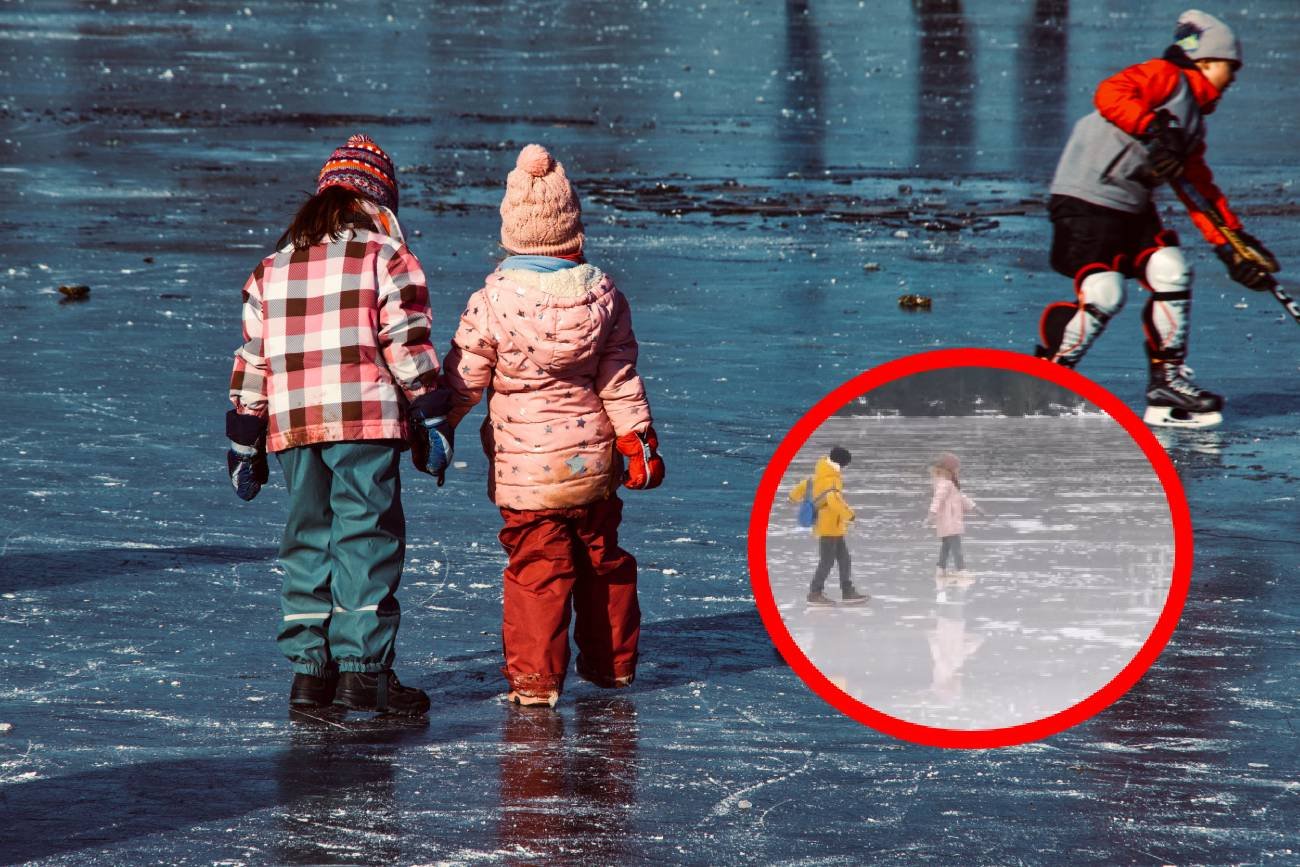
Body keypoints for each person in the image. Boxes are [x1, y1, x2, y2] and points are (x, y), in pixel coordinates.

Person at [226, 133, 452, 717]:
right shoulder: (386, 256)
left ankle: (310, 674)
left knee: (306, 537)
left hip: (295, 427)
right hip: (365, 421)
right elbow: (406, 345)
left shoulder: (272, 268)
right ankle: (363, 674)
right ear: (377, 202)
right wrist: (433, 413)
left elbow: (254, 356)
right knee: (366, 538)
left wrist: (244, 437)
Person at [440, 143, 665, 708]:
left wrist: (436, 426)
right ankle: (612, 666)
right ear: (572, 232)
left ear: (512, 235)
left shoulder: (491, 301)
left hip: (526, 472)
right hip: (590, 465)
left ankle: (537, 683)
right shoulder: (603, 296)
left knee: (539, 569)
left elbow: (466, 379)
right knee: (601, 558)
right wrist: (637, 443)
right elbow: (620, 379)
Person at [1034, 9, 1277, 427]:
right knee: (1105, 292)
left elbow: (1197, 188)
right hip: (1085, 194)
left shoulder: (1192, 122)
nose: (1234, 77)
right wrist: (1151, 127)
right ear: (1204, 62)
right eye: (1228, 66)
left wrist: (1233, 245)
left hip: (1131, 205)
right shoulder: (1166, 76)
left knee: (1171, 268)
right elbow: (1110, 93)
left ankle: (1166, 385)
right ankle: (1043, 382)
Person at [788, 446, 869, 607]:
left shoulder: (817, 476)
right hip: (829, 526)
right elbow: (834, 501)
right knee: (827, 561)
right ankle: (815, 592)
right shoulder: (832, 479)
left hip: (831, 526)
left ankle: (847, 591)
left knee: (844, 559)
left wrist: (794, 498)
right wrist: (850, 515)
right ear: (842, 463)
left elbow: (798, 491)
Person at [924, 452, 978, 598]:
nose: (957, 471)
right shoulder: (945, 484)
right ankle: (961, 569)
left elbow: (961, 497)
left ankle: (940, 568)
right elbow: (938, 499)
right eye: (956, 469)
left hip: (948, 521)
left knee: (946, 546)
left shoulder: (949, 483)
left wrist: (973, 506)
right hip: (950, 521)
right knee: (956, 547)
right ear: (949, 469)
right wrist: (932, 513)